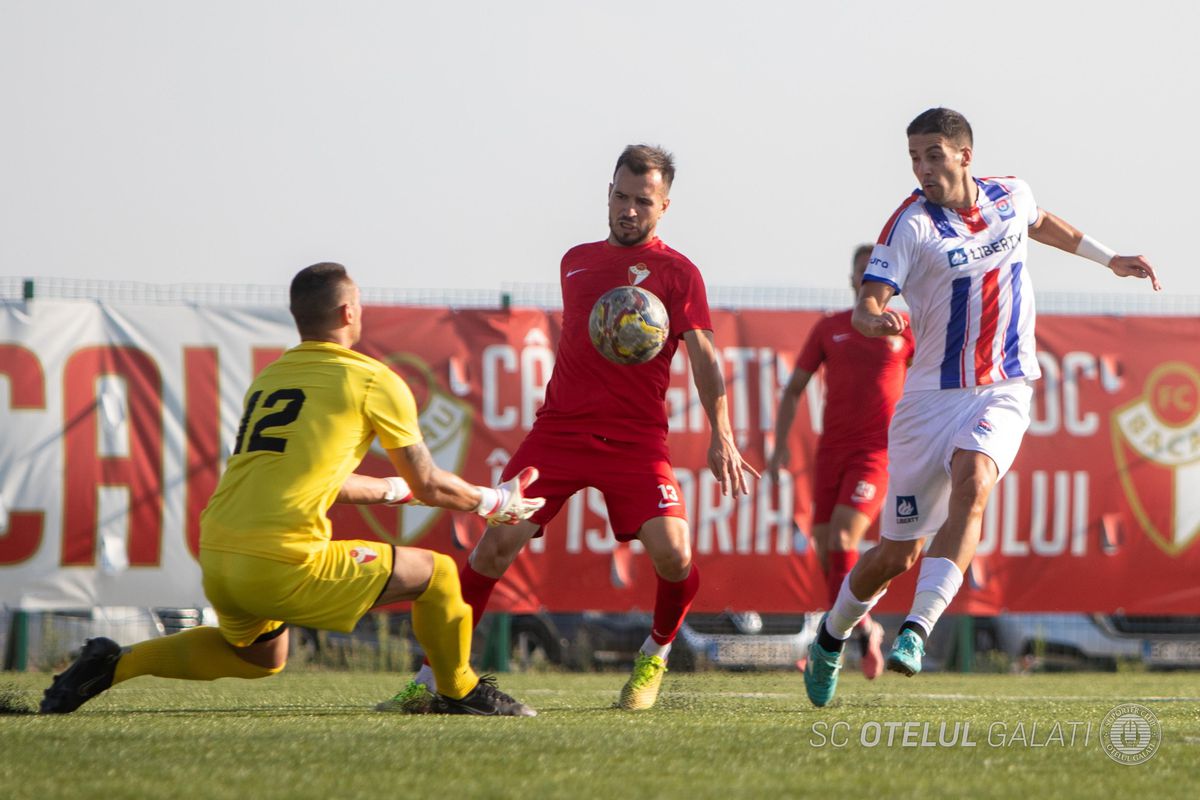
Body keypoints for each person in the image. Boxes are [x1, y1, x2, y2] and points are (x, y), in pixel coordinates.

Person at [41, 263, 544, 716]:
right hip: (283, 560)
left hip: (218, 555)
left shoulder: (271, 377)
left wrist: (393, 491)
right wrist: (495, 502)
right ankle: (459, 688)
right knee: (437, 574)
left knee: (262, 656)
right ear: (349, 311)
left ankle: (113, 664)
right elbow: (430, 481)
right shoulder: (372, 378)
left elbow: (315, 478)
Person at [804, 107, 1162, 707]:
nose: (922, 168)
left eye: (933, 155)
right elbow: (871, 298)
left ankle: (916, 631)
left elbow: (1042, 223)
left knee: (975, 480)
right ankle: (831, 634)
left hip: (1005, 386)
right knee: (897, 553)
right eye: (914, 157)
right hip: (928, 401)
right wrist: (871, 319)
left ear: (965, 155)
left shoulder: (1010, 195)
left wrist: (1110, 259)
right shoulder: (909, 224)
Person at [382, 144, 755, 713]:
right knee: (493, 547)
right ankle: (434, 676)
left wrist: (720, 432)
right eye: (621, 197)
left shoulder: (679, 274)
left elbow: (703, 355)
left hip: (635, 441)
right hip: (558, 434)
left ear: (665, 207)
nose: (629, 210)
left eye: (643, 202)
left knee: (675, 556)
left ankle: (654, 655)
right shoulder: (575, 261)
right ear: (608, 194)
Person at [768, 244, 914, 679]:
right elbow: (794, 388)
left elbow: (932, 384)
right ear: (854, 281)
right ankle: (865, 631)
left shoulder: (908, 329)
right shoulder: (830, 328)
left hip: (876, 453)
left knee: (846, 537)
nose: (867, 279)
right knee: (827, 552)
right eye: (861, 272)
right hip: (831, 452)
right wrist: (778, 447)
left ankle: (831, 642)